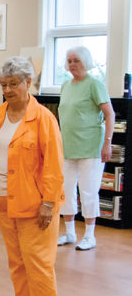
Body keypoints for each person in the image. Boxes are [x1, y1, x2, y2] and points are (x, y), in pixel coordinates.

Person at [0, 56, 64, 295]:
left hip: (35, 205)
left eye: (13, 84)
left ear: (28, 82)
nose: (7, 90)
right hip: (4, 203)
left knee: (39, 265)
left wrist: (48, 202)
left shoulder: (44, 118)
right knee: (17, 264)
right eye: (3, 85)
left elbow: (54, 167)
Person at [57, 46, 115, 251]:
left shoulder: (94, 85)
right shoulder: (65, 86)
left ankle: (90, 235)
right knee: (65, 190)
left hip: (91, 147)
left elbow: (110, 115)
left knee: (89, 191)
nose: (72, 64)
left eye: (77, 60)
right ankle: (70, 232)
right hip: (68, 148)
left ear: (86, 62)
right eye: (70, 60)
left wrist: (107, 142)